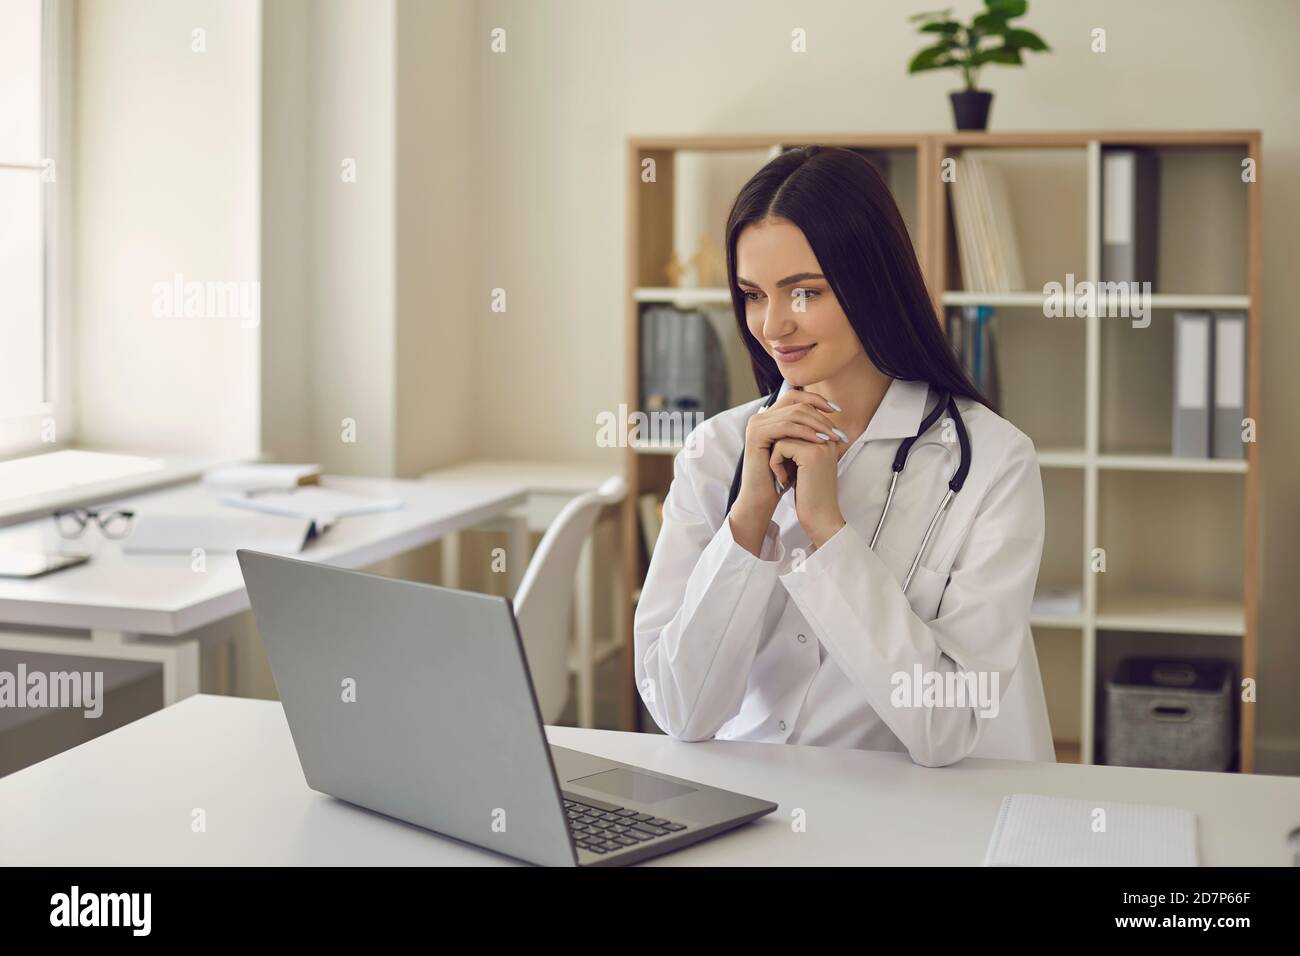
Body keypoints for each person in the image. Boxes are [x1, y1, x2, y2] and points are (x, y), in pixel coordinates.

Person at [634, 146, 1046, 767]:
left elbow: (945, 727)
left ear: (871, 284)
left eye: (803, 293)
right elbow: (680, 712)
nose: (772, 326)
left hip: (899, 820)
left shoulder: (993, 463)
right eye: (752, 294)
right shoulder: (715, 453)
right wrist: (747, 520)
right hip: (743, 807)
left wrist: (827, 529)